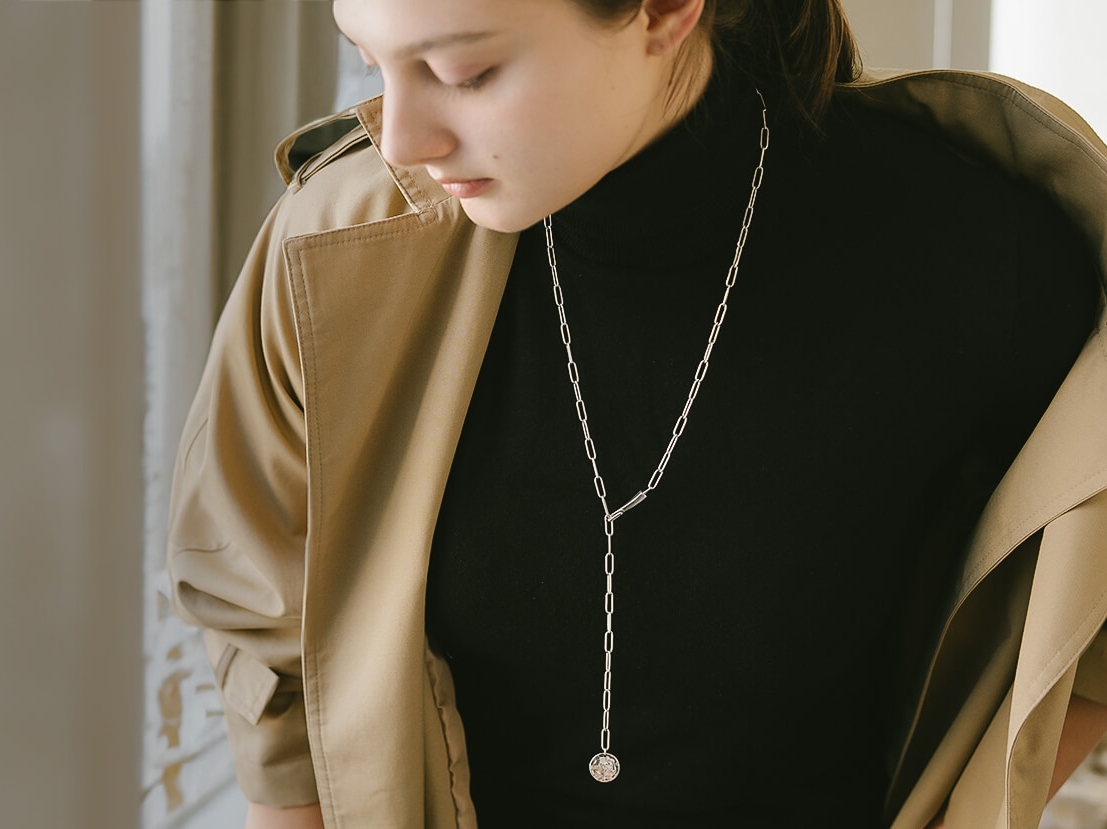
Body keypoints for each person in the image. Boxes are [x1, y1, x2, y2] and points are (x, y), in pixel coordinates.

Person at [167, 0, 1107, 826]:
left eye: (464, 72)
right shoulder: (337, 259)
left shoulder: (978, 258)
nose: (402, 135)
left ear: (664, 9)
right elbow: (275, 666)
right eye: (372, 61)